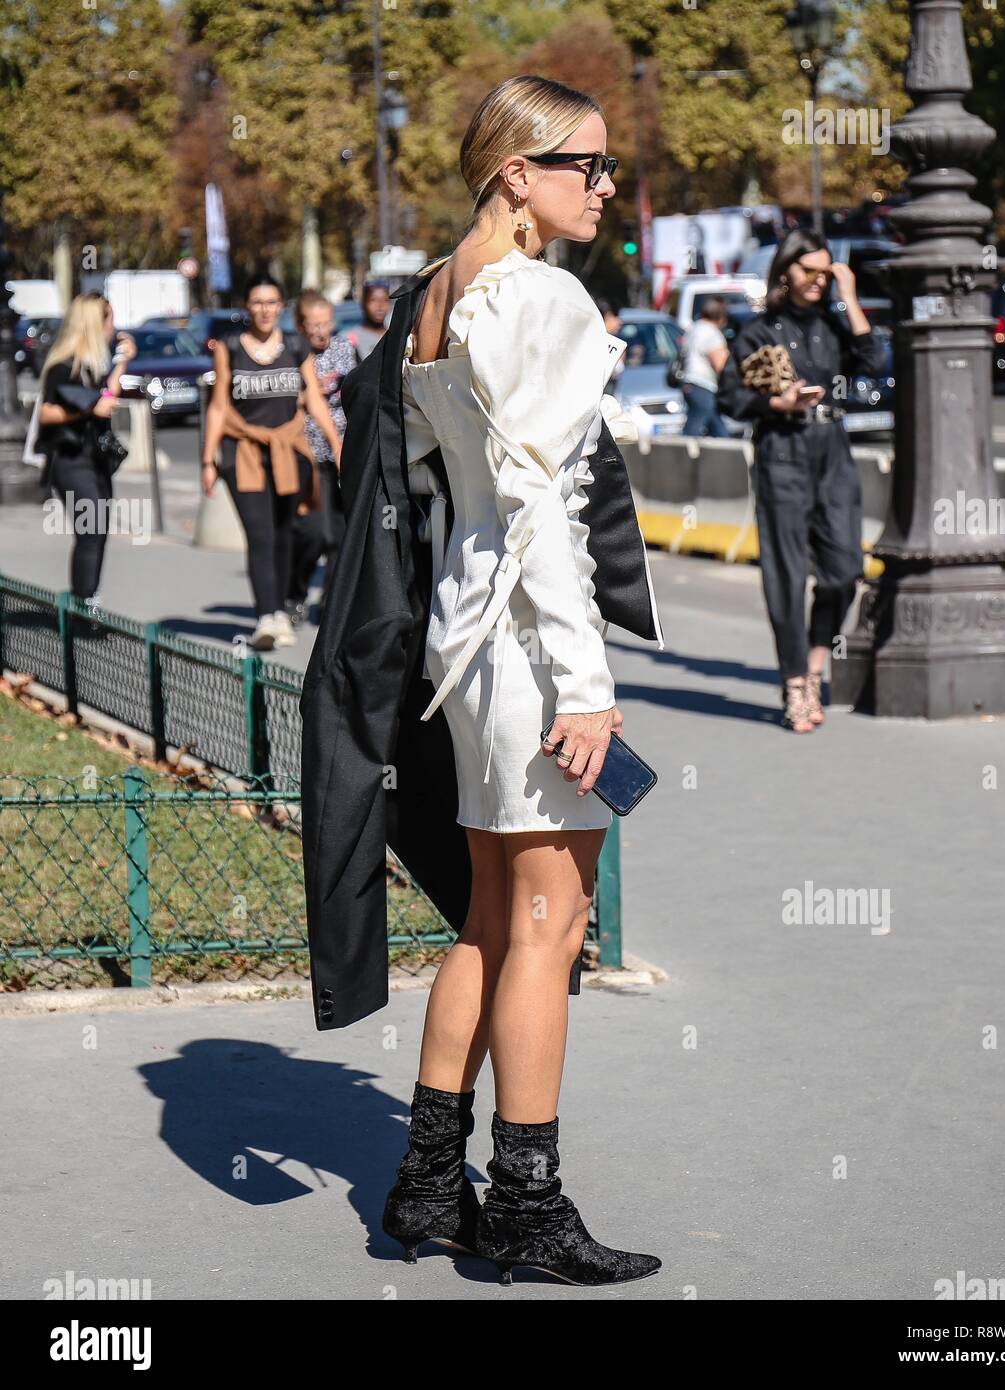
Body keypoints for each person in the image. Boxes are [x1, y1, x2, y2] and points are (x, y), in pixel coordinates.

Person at [343, 74, 664, 1286]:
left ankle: (430, 1184)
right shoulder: (541, 296)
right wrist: (587, 683)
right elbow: (539, 505)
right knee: (551, 924)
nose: (605, 187)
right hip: (533, 649)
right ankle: (527, 1208)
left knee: (488, 914)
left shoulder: (437, 294)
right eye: (585, 165)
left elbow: (433, 489)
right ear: (514, 172)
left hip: (461, 641)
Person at [717, 228, 882, 732]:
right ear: (785, 272)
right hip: (782, 449)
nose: (817, 280)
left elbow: (874, 361)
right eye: (808, 270)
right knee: (785, 575)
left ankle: (813, 666)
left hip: (832, 449)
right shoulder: (758, 331)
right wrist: (777, 403)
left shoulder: (834, 327)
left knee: (845, 569)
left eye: (825, 272)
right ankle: (796, 682)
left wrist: (850, 297)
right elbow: (730, 399)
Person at [201, 273, 343, 651]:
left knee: (287, 532)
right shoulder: (230, 345)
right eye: (257, 302)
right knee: (260, 533)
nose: (264, 309)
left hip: (287, 449)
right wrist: (207, 459)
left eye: (271, 302)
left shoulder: (295, 346)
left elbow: (313, 398)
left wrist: (336, 443)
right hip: (242, 449)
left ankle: (279, 609)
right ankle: (266, 615)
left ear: (281, 307)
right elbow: (218, 405)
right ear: (247, 307)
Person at [36, 292, 137, 603]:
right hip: (70, 459)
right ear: (95, 323)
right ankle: (84, 602)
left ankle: (89, 596)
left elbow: (107, 395)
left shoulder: (94, 364)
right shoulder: (63, 366)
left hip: (95, 458)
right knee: (90, 530)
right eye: (110, 319)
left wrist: (124, 362)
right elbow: (45, 412)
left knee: (98, 530)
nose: (114, 326)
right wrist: (87, 411)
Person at [286, 289, 359, 623]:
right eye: (313, 325)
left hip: (344, 451)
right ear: (301, 326)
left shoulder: (345, 349)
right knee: (317, 533)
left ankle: (330, 604)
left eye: (326, 323)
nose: (320, 331)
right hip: (308, 455)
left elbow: (359, 394)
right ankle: (295, 592)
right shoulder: (293, 354)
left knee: (342, 536)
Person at [681, 297, 732, 437]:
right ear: (721, 318)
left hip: (689, 382)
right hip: (703, 384)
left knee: (717, 427)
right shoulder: (713, 333)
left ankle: (726, 449)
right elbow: (720, 364)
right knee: (694, 429)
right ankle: (682, 456)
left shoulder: (694, 328)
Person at [349, 279, 391, 358]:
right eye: (373, 300)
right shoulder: (350, 339)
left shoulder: (395, 337)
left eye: (385, 300)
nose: (380, 306)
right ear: (364, 303)